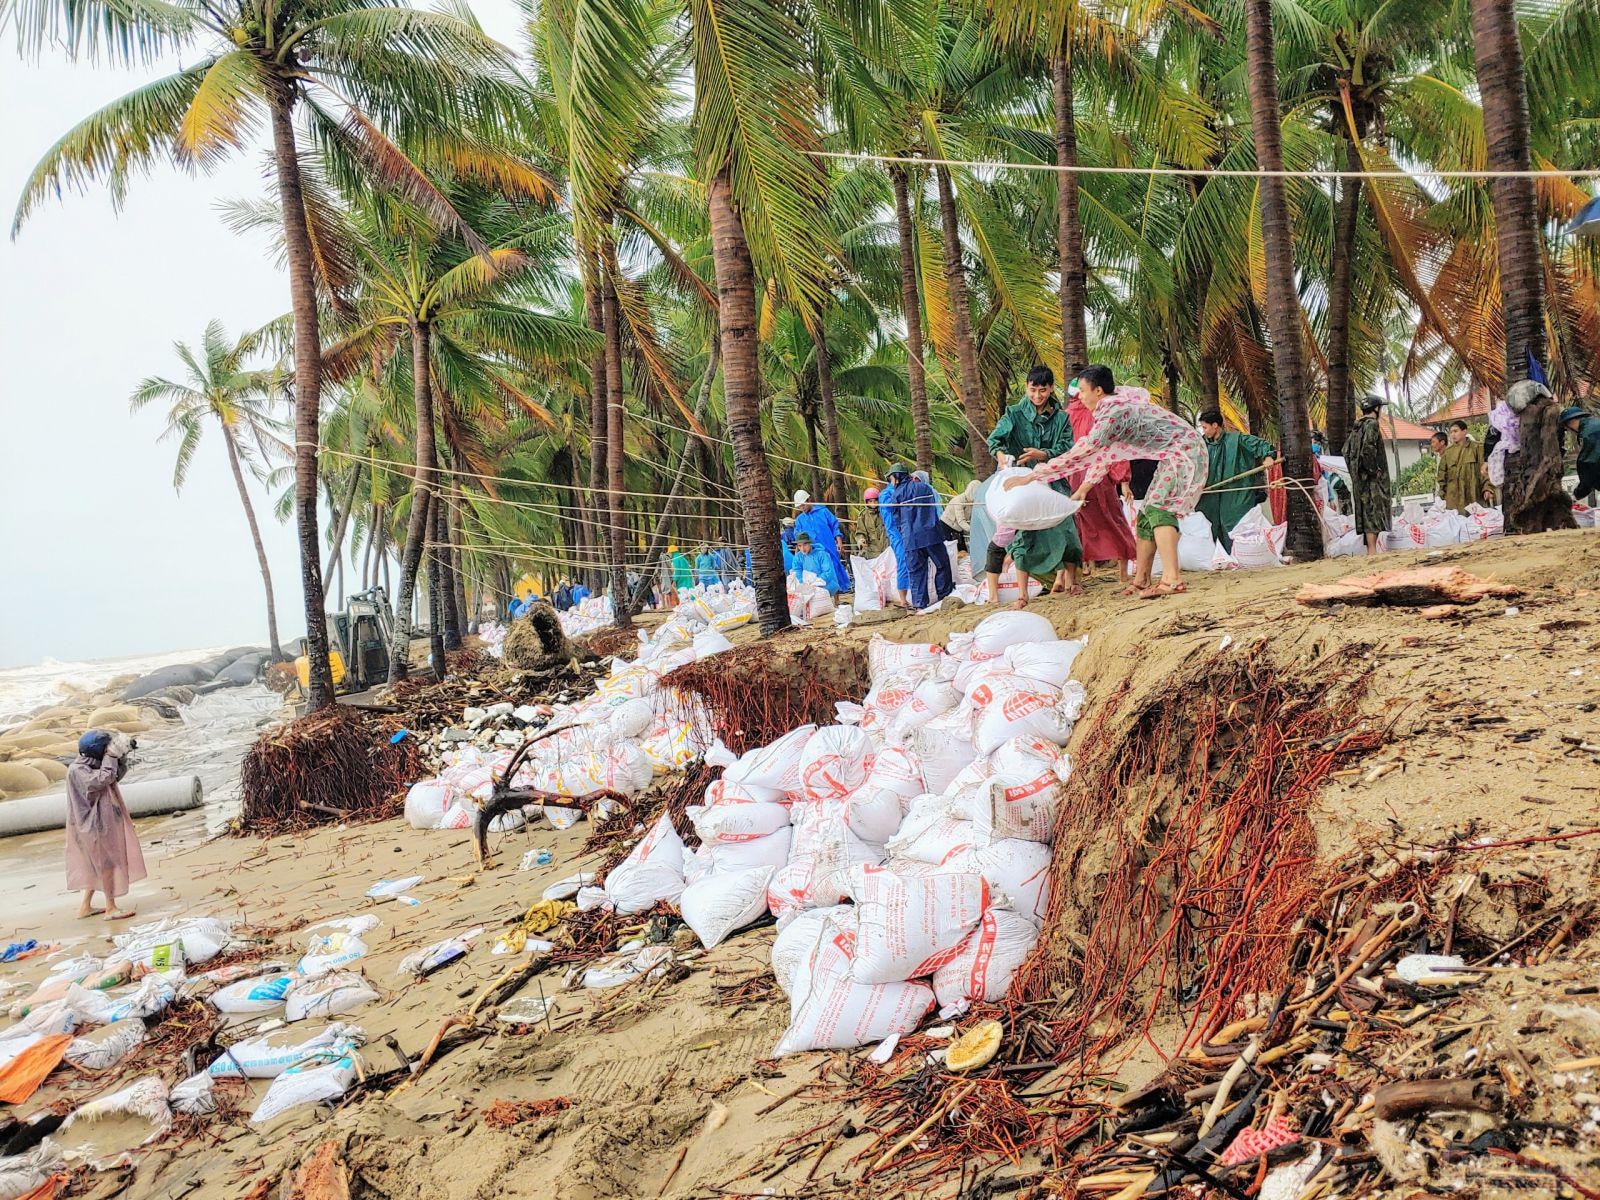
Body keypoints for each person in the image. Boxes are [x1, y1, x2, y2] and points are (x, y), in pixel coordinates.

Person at [1005, 365, 1206, 599]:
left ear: (1098, 391)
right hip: (1174, 453)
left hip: (1185, 452)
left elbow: (1084, 451)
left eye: (1082, 390)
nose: (1079, 396)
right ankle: (1141, 580)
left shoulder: (1112, 415)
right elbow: (1105, 455)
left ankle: (1172, 579)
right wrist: (1084, 487)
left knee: (1160, 510)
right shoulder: (1111, 407)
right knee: (1145, 516)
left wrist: (1033, 475)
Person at [987, 365, 1084, 599]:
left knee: (1066, 529)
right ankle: (1022, 594)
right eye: (1033, 390)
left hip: (1054, 480)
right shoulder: (1013, 414)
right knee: (1024, 534)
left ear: (1051, 389)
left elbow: (1067, 448)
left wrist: (1042, 454)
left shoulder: (1061, 418)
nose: (1037, 396)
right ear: (1026, 387)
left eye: (1042, 390)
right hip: (1021, 483)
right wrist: (1002, 457)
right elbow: (995, 441)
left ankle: (1074, 582)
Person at [66, 730, 145, 921]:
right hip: (90, 825)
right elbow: (102, 780)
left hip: (97, 823)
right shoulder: (77, 770)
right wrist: (110, 756)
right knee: (106, 864)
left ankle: (85, 906)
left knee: (96, 865)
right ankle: (111, 907)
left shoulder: (92, 764)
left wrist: (121, 755)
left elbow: (114, 776)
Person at [1067, 375, 1137, 581]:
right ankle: (1084, 571)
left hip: (1094, 476)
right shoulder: (1070, 415)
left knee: (1107, 519)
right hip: (1081, 474)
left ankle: (1117, 570)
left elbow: (1114, 449)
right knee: (1087, 522)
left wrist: (1123, 481)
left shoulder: (1104, 414)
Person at [1195, 409, 1279, 551]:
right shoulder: (1201, 445)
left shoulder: (1237, 440)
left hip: (1235, 494)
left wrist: (1269, 456)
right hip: (1209, 496)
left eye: (1205, 427)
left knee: (1234, 524)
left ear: (1215, 425)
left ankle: (1238, 554)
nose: (1204, 431)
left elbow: (1261, 445)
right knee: (1208, 526)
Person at [884, 464, 953, 609]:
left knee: (916, 573)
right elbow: (935, 510)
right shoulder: (925, 488)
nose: (891, 482)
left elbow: (897, 520)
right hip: (931, 535)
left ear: (897, 477)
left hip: (911, 540)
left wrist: (905, 534)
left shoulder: (896, 495)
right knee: (942, 565)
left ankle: (920, 604)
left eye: (891, 478)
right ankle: (944, 597)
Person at [1342, 395, 1392, 556]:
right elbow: (1368, 450)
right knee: (1373, 512)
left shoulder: (1357, 427)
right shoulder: (1371, 425)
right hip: (1371, 480)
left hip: (1359, 480)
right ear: (1376, 409)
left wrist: (1356, 473)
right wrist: (1373, 470)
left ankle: (1371, 549)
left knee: (1366, 512)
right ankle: (1372, 550)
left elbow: (1346, 451)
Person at [792, 491, 848, 596]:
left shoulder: (823, 511)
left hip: (828, 545)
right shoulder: (800, 520)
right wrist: (798, 551)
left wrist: (839, 541)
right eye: (800, 507)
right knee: (816, 570)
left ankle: (839, 592)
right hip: (811, 550)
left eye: (803, 505)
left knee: (834, 566)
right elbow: (798, 538)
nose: (802, 508)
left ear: (809, 500)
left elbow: (834, 526)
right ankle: (822, 593)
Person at [1437, 420, 1486, 513]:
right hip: (1453, 500)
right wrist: (1442, 497)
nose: (1453, 435)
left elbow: (1485, 471)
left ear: (1464, 432)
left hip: (1473, 496)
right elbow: (1442, 476)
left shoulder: (1477, 448)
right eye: (1451, 432)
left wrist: (1487, 489)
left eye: (1456, 431)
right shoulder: (1448, 453)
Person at [875, 482, 911, 607]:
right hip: (895, 533)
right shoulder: (886, 494)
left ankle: (911, 594)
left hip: (906, 531)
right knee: (902, 561)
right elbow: (890, 508)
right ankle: (903, 599)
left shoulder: (903, 490)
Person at [1562, 405, 1600, 503]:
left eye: (1567, 428)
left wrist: (1578, 493)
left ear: (1571, 422)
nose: (1569, 431)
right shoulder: (1595, 424)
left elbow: (1589, 466)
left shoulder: (1588, 433)